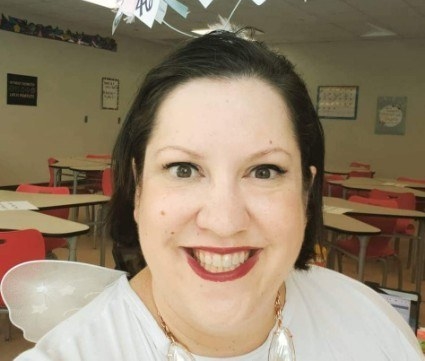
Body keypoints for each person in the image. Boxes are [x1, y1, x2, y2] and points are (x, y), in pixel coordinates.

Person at [15, 30, 422, 360]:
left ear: (306, 191)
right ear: (137, 189)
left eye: (264, 171)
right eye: (184, 169)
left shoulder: (373, 324)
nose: (224, 222)